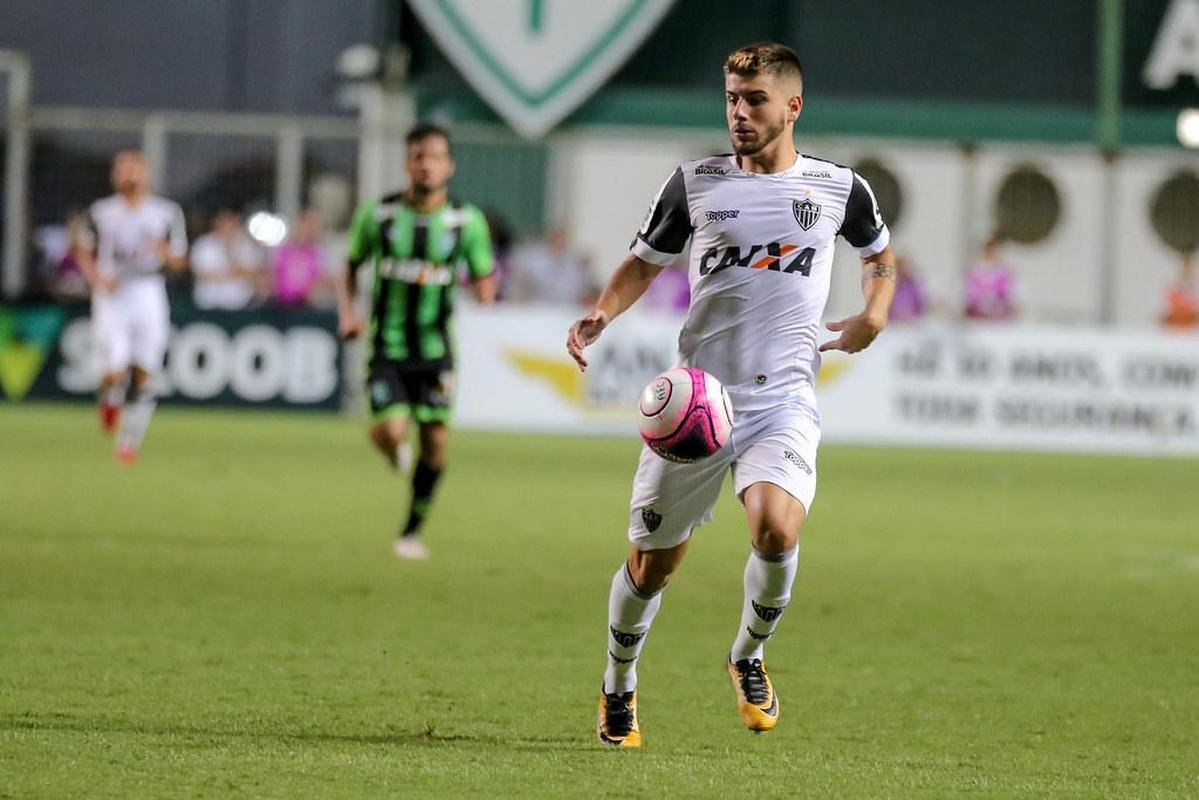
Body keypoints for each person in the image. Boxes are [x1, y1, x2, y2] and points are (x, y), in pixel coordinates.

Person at [566, 42, 896, 747]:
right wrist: (602, 311)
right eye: (730, 99)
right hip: (695, 405)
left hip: (781, 399)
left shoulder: (840, 188)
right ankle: (617, 685)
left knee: (776, 528)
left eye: (753, 100)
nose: (738, 113)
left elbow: (879, 256)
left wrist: (873, 313)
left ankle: (746, 654)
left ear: (792, 106)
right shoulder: (695, 183)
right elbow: (642, 262)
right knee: (653, 566)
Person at [336, 123, 497, 560]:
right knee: (390, 429)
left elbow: (485, 275)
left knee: (437, 442)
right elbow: (349, 268)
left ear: (449, 165)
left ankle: (410, 531)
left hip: (437, 349)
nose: (427, 165)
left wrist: (485, 290)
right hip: (387, 345)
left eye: (435, 157)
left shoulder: (467, 221)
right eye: (419, 156)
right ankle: (391, 450)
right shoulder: (380, 215)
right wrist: (348, 314)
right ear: (408, 163)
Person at [74, 150, 188, 464]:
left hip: (149, 292)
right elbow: (83, 251)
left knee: (144, 372)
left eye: (135, 169)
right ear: (114, 175)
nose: (129, 175)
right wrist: (97, 277)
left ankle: (129, 441)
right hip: (113, 294)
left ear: (147, 174)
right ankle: (108, 396)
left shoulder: (166, 212)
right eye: (123, 169)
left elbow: (180, 261)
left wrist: (162, 250)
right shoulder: (101, 212)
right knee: (114, 369)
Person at [190, 209, 264, 310]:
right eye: (224, 223)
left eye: (231, 223)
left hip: (241, 304)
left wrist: (230, 250)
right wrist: (233, 273)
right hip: (209, 304)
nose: (228, 228)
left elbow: (254, 273)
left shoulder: (246, 245)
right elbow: (202, 274)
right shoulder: (204, 244)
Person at [272, 208, 329, 308]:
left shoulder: (318, 254)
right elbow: (274, 277)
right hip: (282, 304)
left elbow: (321, 280)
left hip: (306, 305)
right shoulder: (283, 251)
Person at [964, 237, 1018, 321]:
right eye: (989, 250)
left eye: (994, 250)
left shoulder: (1004, 270)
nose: (991, 252)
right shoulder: (976, 270)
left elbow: (1011, 292)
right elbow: (970, 293)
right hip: (980, 315)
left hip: (1001, 314)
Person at [1160, 252, 1198, 330]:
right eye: (1184, 268)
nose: (1186, 271)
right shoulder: (1171, 291)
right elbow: (1163, 316)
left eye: (1189, 268)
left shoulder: (1196, 291)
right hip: (1174, 334)